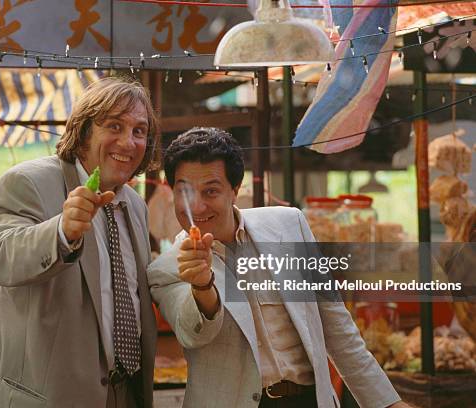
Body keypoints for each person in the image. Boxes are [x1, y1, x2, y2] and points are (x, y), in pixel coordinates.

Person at [147, 127, 411, 408]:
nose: (197, 206)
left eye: (211, 191)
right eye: (185, 191)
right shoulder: (166, 268)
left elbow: (338, 329)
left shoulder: (289, 225)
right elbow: (194, 332)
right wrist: (201, 285)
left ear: (235, 190)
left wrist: (389, 404)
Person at [0, 77, 159, 408]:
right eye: (114, 126)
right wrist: (61, 232)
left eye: (139, 131)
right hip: (49, 397)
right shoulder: (27, 181)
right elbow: (1, 259)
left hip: (125, 392)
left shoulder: (134, 204)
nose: (128, 142)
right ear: (84, 130)